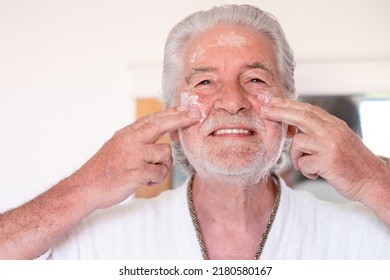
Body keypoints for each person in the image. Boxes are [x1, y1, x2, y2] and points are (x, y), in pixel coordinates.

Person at [0, 4, 389, 260]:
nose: (232, 101)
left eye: (255, 78)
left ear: (291, 112)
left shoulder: (358, 236)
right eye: (204, 83)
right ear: (172, 115)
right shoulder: (105, 241)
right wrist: (87, 184)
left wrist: (372, 178)